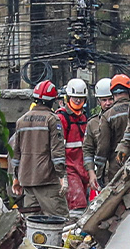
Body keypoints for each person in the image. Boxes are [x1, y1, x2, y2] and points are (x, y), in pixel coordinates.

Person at [10, 80, 68, 218]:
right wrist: (62, 176)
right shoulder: (52, 120)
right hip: (47, 180)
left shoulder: (21, 121)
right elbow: (57, 152)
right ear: (52, 101)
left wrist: (16, 178)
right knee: (60, 220)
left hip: (27, 181)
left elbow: (15, 153)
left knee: (33, 223)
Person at [84, 74, 130, 188]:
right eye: (104, 100)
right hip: (109, 173)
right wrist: (93, 173)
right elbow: (88, 149)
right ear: (98, 101)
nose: (108, 103)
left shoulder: (110, 116)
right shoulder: (93, 123)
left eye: (110, 99)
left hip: (115, 171)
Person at [55, 78, 91, 213]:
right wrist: (61, 174)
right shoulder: (62, 118)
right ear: (68, 97)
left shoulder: (83, 118)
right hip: (69, 168)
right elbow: (57, 148)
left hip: (83, 167)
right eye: (75, 98)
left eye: (81, 99)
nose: (78, 101)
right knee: (78, 204)